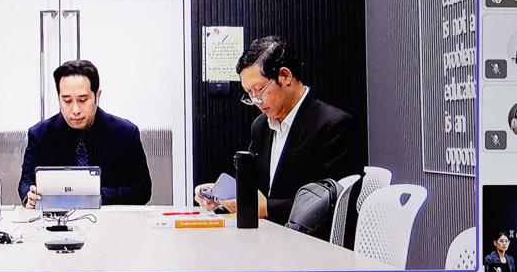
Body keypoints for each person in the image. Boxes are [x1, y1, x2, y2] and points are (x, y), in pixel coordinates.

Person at [194, 36, 363, 226]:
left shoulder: (335, 126)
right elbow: (256, 189)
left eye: (259, 90)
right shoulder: (260, 127)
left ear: (285, 76)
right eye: (249, 93)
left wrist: (268, 208)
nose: (256, 101)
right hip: (267, 235)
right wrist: (223, 195)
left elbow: (336, 205)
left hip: (310, 240)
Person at [19, 59, 152, 208]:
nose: (75, 110)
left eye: (83, 100)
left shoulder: (125, 134)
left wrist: (93, 198)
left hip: (110, 219)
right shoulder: (40, 135)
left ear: (97, 97)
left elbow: (142, 190)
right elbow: (26, 183)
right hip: (56, 219)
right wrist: (29, 196)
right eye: (67, 101)